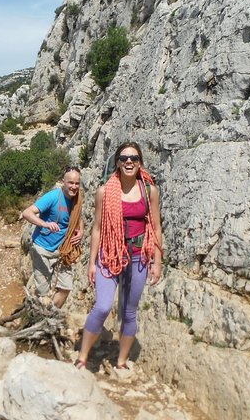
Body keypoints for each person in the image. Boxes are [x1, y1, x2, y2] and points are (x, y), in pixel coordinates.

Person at [74, 142, 163, 369]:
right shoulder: (104, 192)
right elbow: (97, 229)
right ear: (117, 163)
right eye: (124, 158)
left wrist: (157, 261)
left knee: (129, 311)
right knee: (103, 306)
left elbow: (156, 227)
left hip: (137, 256)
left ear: (140, 162)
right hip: (109, 253)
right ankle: (83, 356)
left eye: (133, 157)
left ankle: (121, 361)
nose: (129, 161)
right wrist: (92, 262)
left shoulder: (149, 191)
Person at [22, 166, 84, 308]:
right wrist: (45, 224)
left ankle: (51, 314)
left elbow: (77, 218)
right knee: (44, 294)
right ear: (63, 182)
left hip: (62, 251)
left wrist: (81, 231)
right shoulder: (52, 197)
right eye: (70, 183)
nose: (74, 187)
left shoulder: (77, 199)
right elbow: (27, 213)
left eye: (77, 183)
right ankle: (43, 319)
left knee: (66, 288)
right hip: (42, 250)